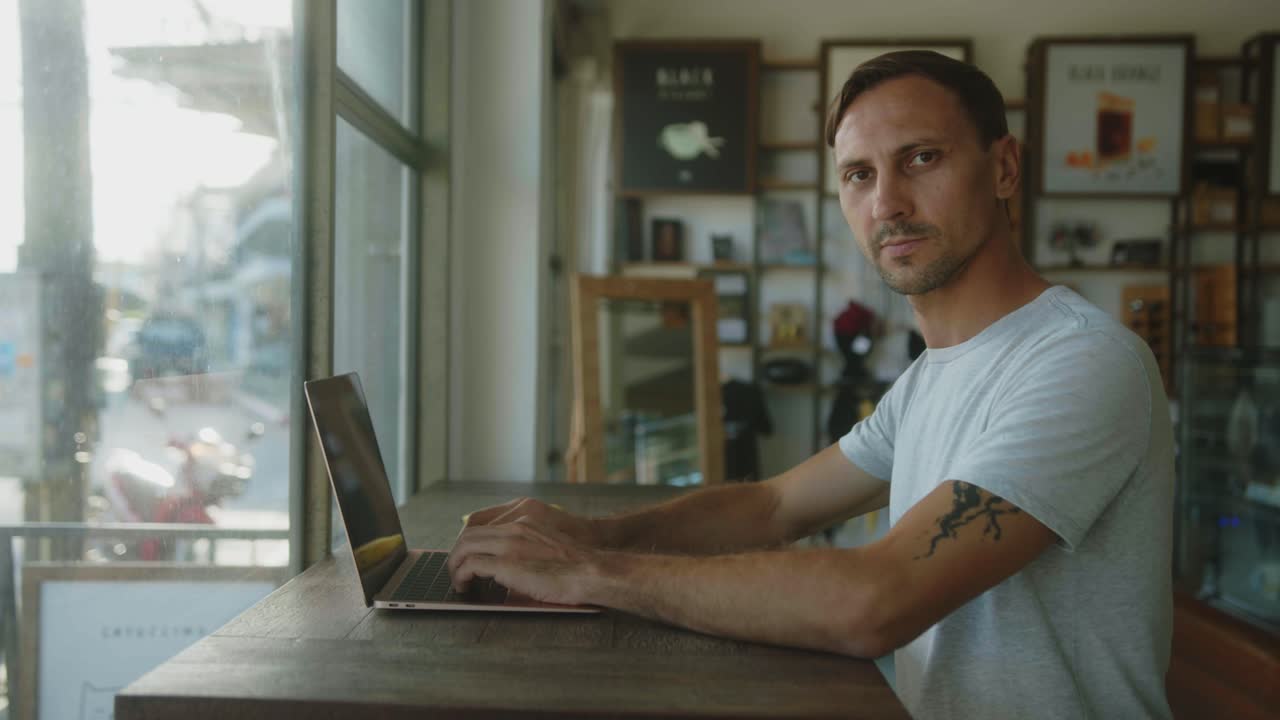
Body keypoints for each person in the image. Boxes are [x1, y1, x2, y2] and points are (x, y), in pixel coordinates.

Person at [447, 50, 1174, 719]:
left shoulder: (1081, 361)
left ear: (1005, 168)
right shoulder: (930, 378)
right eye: (859, 175)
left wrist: (591, 573)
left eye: (922, 158)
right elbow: (774, 506)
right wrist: (592, 534)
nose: (887, 204)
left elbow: (876, 601)